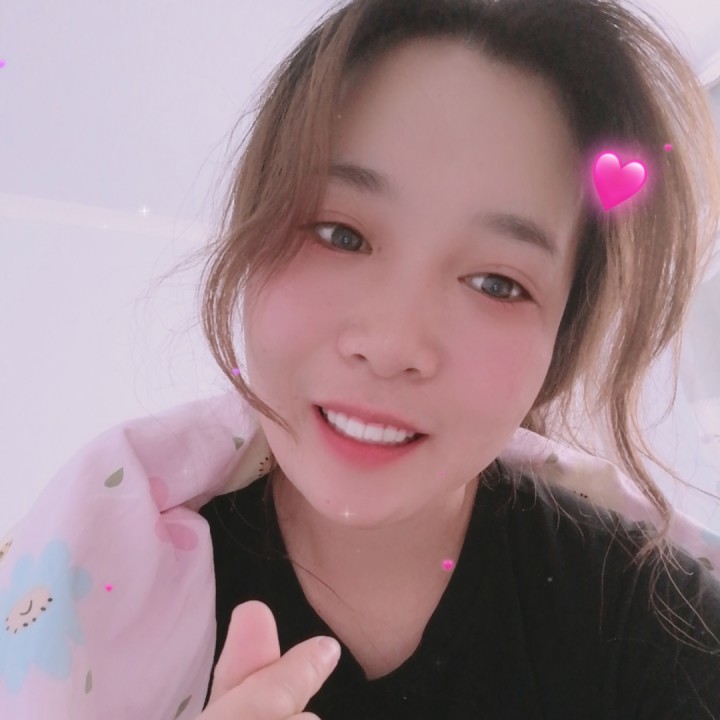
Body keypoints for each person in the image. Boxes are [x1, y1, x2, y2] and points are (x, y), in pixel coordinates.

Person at [2, 0, 720, 718]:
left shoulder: (663, 626)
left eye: (497, 283)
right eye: (340, 234)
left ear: (561, 337)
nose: (392, 345)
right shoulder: (100, 591)